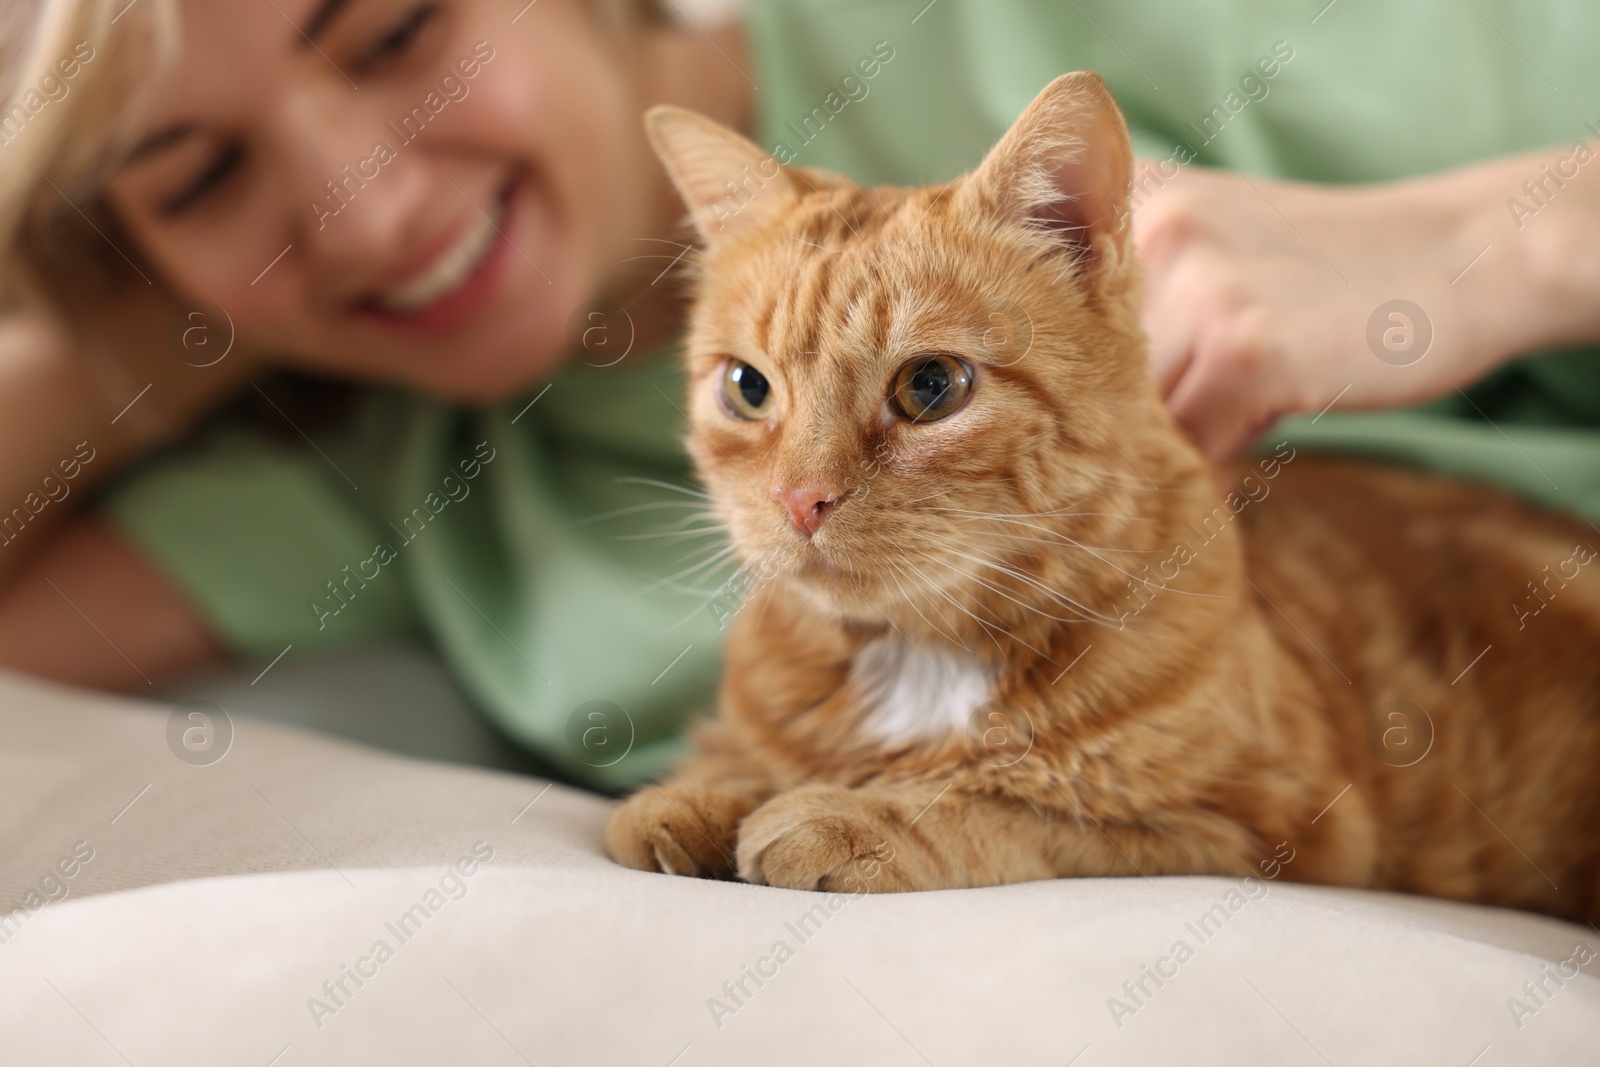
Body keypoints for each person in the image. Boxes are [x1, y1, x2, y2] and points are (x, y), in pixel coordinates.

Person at [1, 0, 1597, 788]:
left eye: (397, 31)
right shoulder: (377, 463)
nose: (368, 211)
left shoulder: (1044, 38)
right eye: (198, 172)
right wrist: (124, 341)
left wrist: (1486, 241)